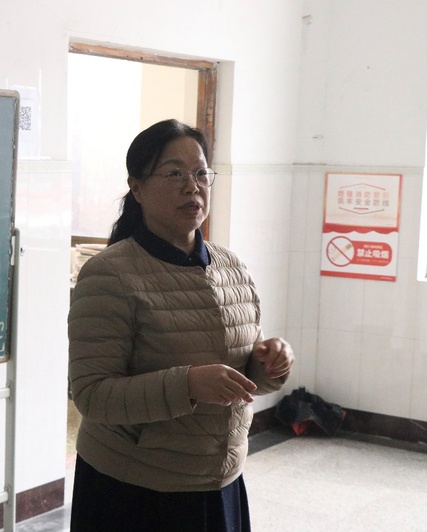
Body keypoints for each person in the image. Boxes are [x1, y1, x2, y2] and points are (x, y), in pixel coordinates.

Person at [67, 119, 294, 531]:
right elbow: (92, 395)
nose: (193, 186)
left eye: (201, 173)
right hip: (135, 488)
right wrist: (187, 384)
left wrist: (270, 362)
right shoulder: (109, 274)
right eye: (174, 174)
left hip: (220, 479)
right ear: (137, 188)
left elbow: (244, 373)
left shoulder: (232, 267)